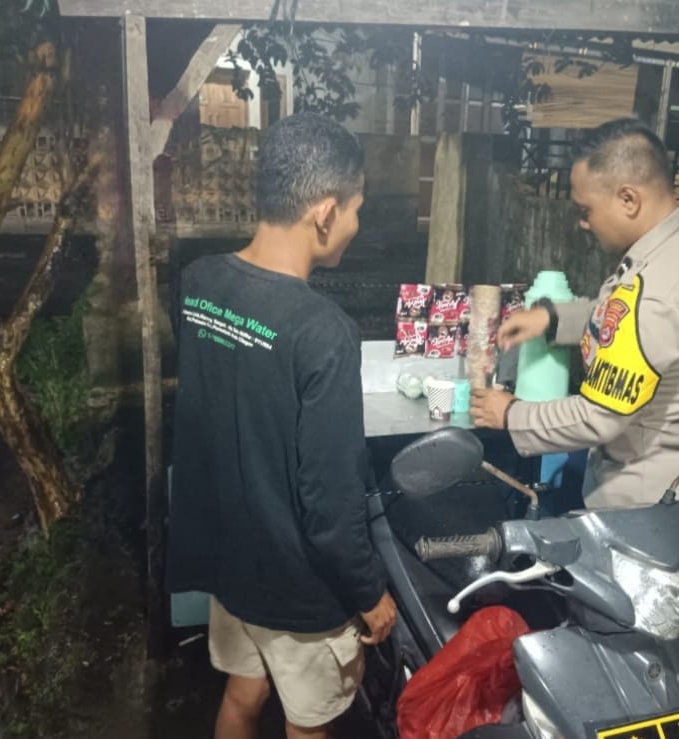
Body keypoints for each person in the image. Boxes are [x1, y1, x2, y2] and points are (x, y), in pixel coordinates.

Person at [166, 113, 396, 739]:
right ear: (325, 212)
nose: (356, 224)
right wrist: (369, 593)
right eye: (356, 209)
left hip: (229, 562)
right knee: (309, 725)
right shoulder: (324, 333)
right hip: (298, 589)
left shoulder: (199, 284)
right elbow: (330, 501)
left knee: (244, 695)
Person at [469, 118, 679, 526]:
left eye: (586, 210)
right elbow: (624, 321)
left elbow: (599, 415)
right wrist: (554, 318)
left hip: (644, 510)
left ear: (628, 199)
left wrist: (510, 415)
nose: (583, 223)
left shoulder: (659, 291)